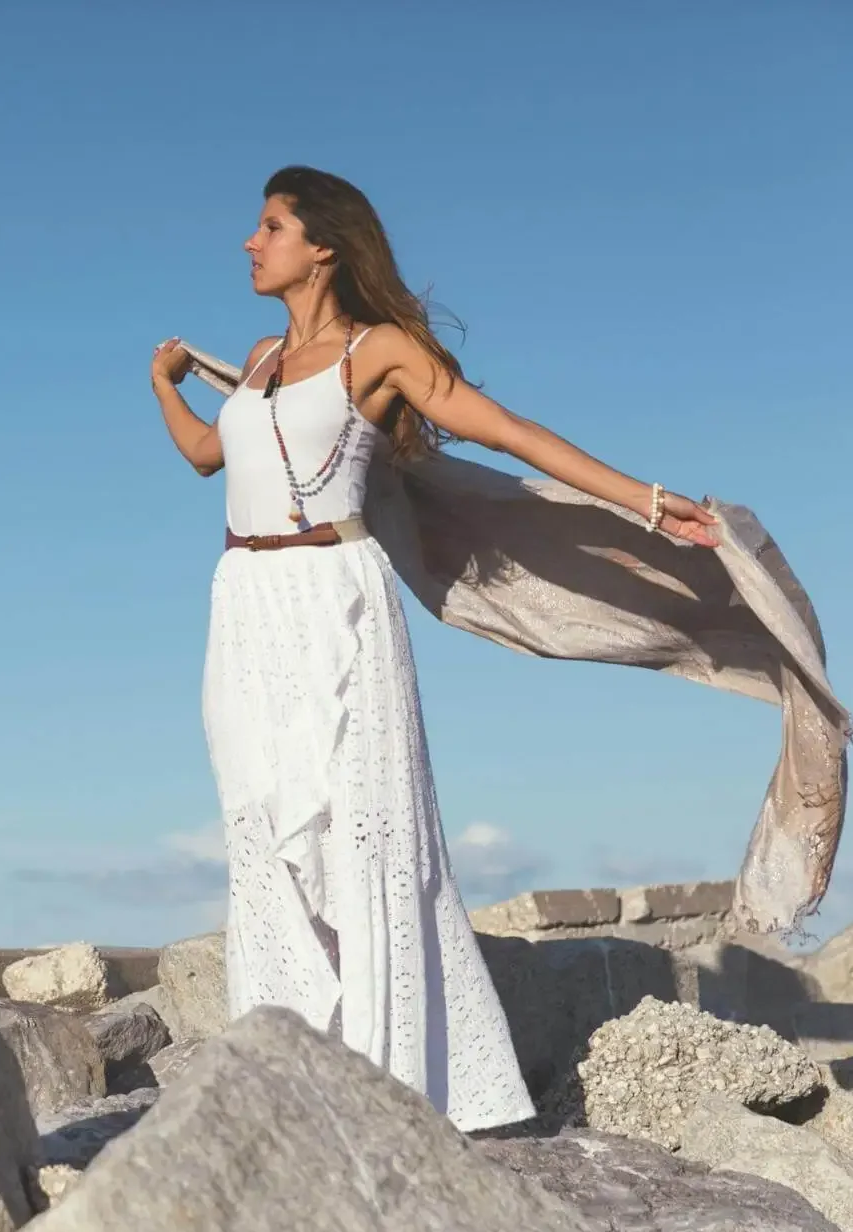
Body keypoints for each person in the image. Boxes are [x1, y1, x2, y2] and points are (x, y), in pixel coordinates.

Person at [149, 165, 720, 1132]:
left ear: (322, 247)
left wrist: (649, 502)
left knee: (363, 832)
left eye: (271, 225)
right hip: (244, 604)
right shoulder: (256, 359)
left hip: (337, 597)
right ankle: (287, 1075)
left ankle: (397, 1089)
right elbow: (211, 455)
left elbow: (507, 432)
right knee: (260, 822)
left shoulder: (379, 351)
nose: (251, 241)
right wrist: (164, 386)